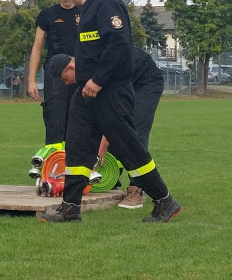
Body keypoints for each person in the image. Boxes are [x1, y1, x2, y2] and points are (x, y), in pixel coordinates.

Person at [39, 0, 181, 224]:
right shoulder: (86, 12)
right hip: (88, 92)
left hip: (111, 90)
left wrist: (97, 80)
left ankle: (164, 200)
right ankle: (70, 207)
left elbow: (119, 46)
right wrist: (87, 83)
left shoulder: (107, 4)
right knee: (78, 144)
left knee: (128, 146)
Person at [52, 47, 167, 210]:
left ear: (71, 68)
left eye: (64, 79)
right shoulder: (86, 72)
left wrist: (102, 147)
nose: (65, 83)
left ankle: (137, 189)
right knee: (112, 132)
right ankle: (113, 179)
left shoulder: (95, 70)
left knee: (134, 132)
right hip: (122, 83)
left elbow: (115, 117)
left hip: (144, 81)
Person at [26, 0, 80, 144]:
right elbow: (37, 47)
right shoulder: (47, 14)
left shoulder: (85, 11)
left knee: (78, 117)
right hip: (54, 73)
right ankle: (53, 162)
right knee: (54, 119)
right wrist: (31, 80)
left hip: (79, 70)